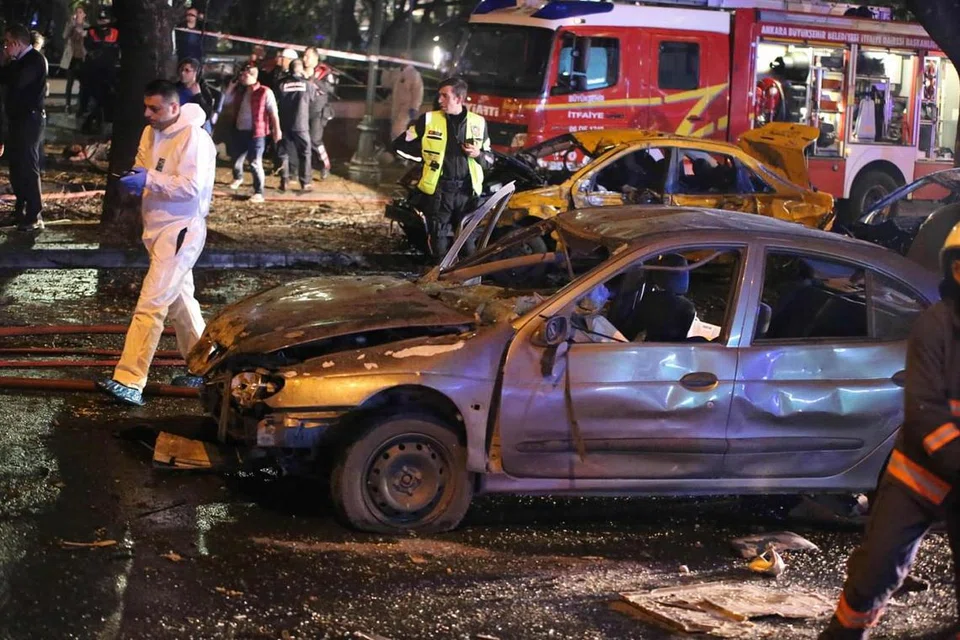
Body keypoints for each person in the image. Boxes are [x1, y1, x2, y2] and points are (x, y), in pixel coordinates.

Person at [817, 223, 960, 639]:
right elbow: (925, 412)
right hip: (920, 474)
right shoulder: (936, 326)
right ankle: (844, 634)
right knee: (878, 566)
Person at [96, 80, 216, 406]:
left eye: (154, 108)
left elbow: (192, 188)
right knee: (181, 303)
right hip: (158, 230)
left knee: (151, 304)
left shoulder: (194, 138)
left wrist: (148, 179)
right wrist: (137, 177)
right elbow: (144, 166)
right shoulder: (151, 133)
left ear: (174, 107)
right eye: (146, 107)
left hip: (181, 230)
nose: (147, 114)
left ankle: (130, 379)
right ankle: (207, 367)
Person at [392, 76, 493, 257]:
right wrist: (424, 157)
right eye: (439, 95)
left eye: (445, 96)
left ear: (459, 98)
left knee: (468, 245)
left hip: (467, 193)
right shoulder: (428, 120)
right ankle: (440, 273)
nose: (439, 100)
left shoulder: (478, 123)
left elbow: (490, 160)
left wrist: (478, 154)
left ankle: (466, 274)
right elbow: (399, 145)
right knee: (439, 244)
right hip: (439, 192)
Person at [0, 23, 48, 231]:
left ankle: (34, 213)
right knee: (17, 166)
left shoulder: (34, 60)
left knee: (28, 165)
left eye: (7, 43)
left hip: (30, 119)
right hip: (18, 119)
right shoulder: (21, 61)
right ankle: (21, 209)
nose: (5, 47)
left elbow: (16, 81)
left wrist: (7, 62)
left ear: (16, 43)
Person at [223, 64, 281, 203]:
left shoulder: (265, 92)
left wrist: (276, 129)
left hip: (257, 132)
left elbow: (273, 113)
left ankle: (259, 192)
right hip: (240, 130)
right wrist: (231, 87)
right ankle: (238, 177)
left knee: (255, 162)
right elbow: (225, 100)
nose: (241, 78)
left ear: (252, 76)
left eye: (244, 75)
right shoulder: (240, 92)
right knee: (236, 158)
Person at [276, 58, 316, 191]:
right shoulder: (308, 84)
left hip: (284, 123)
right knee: (305, 152)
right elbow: (312, 99)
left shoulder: (281, 83)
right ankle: (305, 182)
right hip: (301, 124)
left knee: (284, 153)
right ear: (301, 69)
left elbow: (276, 99)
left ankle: (284, 180)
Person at [78, 7, 119, 126]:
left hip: (109, 69)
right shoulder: (91, 32)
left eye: (105, 19)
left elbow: (117, 49)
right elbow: (88, 47)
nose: (103, 22)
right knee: (89, 92)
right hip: (93, 69)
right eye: (101, 19)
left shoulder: (115, 32)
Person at [302, 47, 335, 179]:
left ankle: (325, 165)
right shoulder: (300, 69)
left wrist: (312, 78)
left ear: (316, 58)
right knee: (304, 140)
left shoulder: (325, 71)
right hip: (303, 110)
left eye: (308, 56)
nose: (305, 59)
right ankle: (307, 167)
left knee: (315, 139)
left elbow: (329, 90)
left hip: (319, 111)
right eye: (304, 56)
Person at [176, 57, 217, 133]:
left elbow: (207, 114)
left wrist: (198, 95)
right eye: (181, 70)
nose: (182, 73)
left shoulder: (203, 91)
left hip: (194, 130)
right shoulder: (174, 88)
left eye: (187, 70)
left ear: (195, 72)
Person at [387, 60, 424, 140]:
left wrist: (414, 107)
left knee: (398, 129)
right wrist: (387, 70)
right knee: (394, 130)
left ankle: (400, 146)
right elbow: (387, 84)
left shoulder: (414, 74)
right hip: (395, 105)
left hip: (406, 107)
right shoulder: (396, 72)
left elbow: (418, 92)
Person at [60, 6, 87, 114]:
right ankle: (67, 104)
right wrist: (71, 24)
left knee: (83, 82)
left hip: (82, 57)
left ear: (84, 14)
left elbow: (88, 39)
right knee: (70, 82)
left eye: (80, 12)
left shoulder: (86, 26)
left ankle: (81, 104)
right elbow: (64, 36)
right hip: (71, 57)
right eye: (76, 12)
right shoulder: (71, 25)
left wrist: (82, 32)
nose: (78, 14)